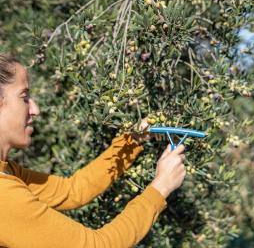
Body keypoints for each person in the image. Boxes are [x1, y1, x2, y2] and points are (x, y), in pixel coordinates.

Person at [0, 53, 186, 248]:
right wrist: (160, 188)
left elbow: (73, 190)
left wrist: (133, 140)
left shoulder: (8, 171)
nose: (35, 109)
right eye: (24, 97)